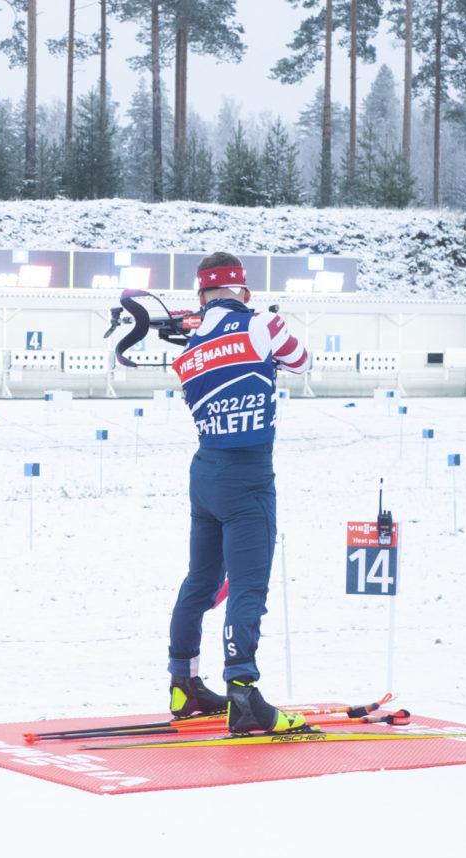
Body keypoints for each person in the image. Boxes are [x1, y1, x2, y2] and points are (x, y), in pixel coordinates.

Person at [163, 251, 311, 733]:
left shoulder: (186, 351)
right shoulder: (263, 323)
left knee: (199, 584)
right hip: (249, 476)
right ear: (244, 292)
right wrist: (251, 320)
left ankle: (182, 684)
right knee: (248, 588)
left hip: (204, 472)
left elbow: (209, 355)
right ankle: (243, 695)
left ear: (200, 296)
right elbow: (300, 361)